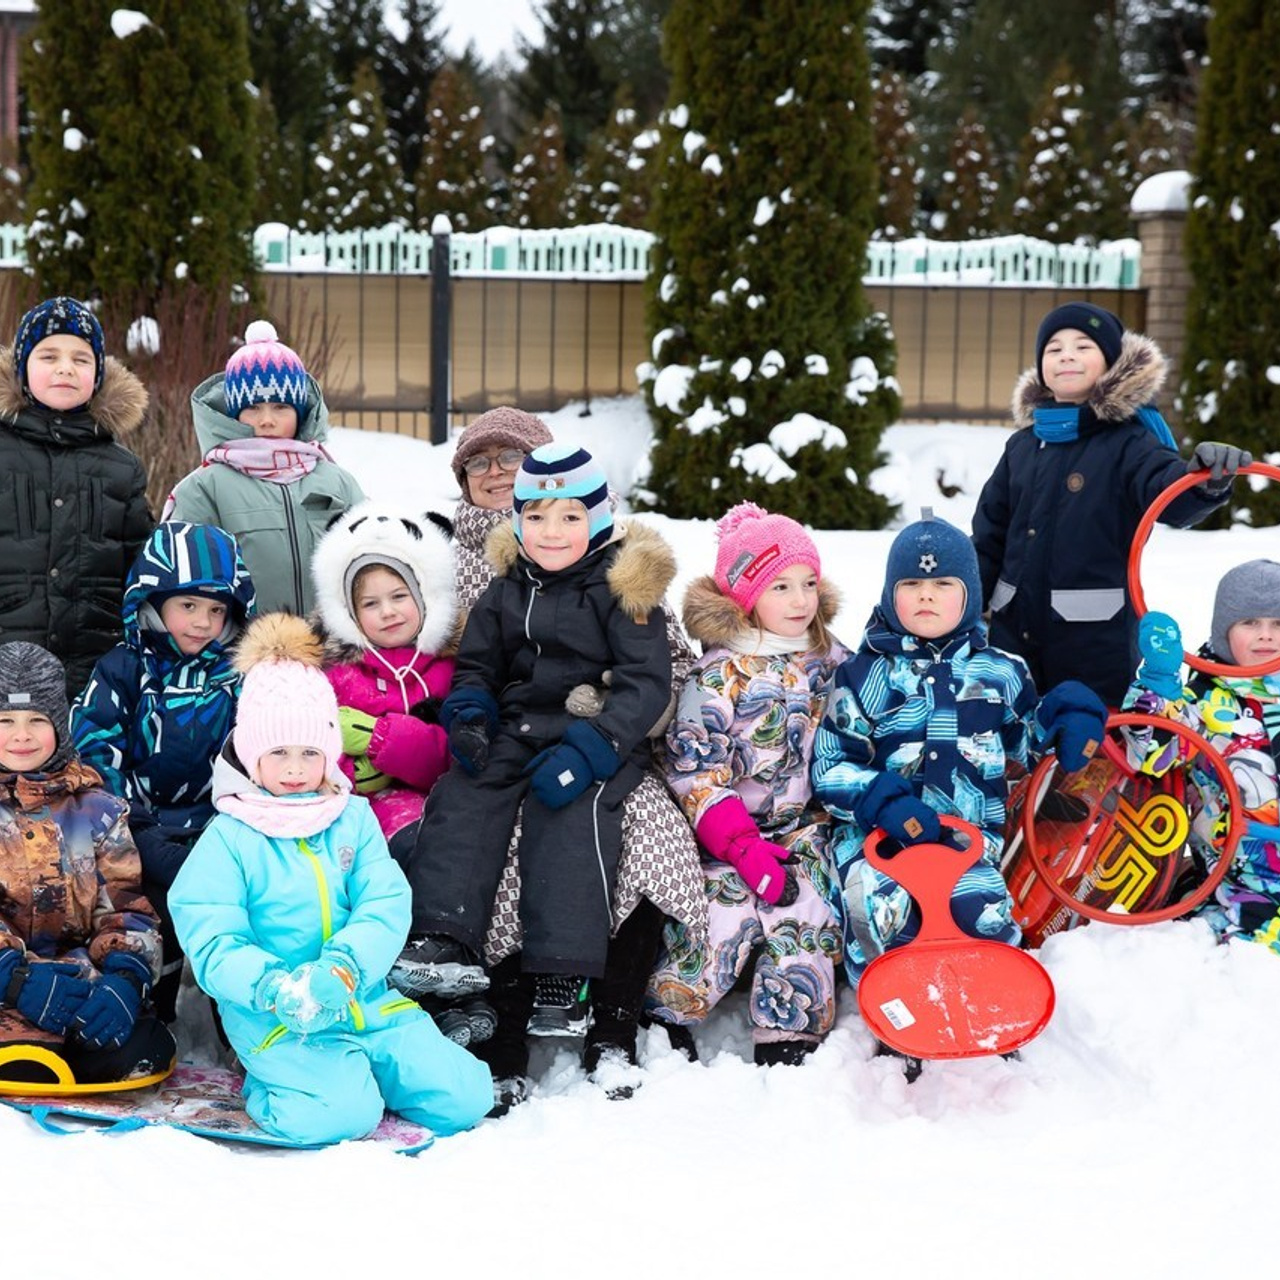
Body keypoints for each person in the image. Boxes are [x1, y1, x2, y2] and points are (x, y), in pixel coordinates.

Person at [415, 411, 704, 1107]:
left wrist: (594, 747)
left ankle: (562, 975)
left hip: (595, 739)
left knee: (568, 818)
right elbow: (479, 665)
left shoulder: (620, 588)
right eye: (536, 517)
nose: (550, 532)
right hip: (518, 728)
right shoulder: (505, 587)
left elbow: (647, 681)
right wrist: (469, 713)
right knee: (463, 797)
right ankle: (442, 938)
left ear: (598, 519)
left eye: (567, 517)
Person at [167, 613, 492, 1146]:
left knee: (464, 1098)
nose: (295, 769)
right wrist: (273, 986)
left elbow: (384, 902)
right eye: (279, 754)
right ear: (252, 755)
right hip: (279, 1015)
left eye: (309, 753)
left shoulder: (352, 818)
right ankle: (278, 1082)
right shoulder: (230, 836)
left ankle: (364, 1068)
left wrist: (346, 966)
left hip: (363, 998)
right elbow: (211, 935)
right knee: (340, 1117)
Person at [811, 512, 1108, 1000]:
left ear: (969, 593)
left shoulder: (1001, 672)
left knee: (981, 915)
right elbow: (830, 763)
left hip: (968, 844)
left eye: (943, 582)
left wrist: (1068, 711)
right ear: (890, 595)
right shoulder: (863, 676)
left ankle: (987, 1009)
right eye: (911, 583)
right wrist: (880, 800)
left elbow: (1025, 744)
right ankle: (901, 1015)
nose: (926, 594)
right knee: (887, 915)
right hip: (881, 841)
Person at [643, 502, 847, 1067]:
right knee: (723, 907)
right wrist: (741, 845)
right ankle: (669, 1010)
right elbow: (695, 771)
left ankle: (789, 1030)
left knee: (806, 903)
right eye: (781, 586)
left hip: (807, 830)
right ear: (745, 596)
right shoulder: (717, 675)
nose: (801, 600)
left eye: (809, 583)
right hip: (728, 837)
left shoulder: (831, 661)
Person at [972, 301, 1250, 707]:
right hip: (1012, 639)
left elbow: (1167, 494)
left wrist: (1206, 479)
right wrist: (964, 609)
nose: (1067, 355)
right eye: (1054, 348)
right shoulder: (1022, 446)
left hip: (1093, 647)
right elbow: (989, 536)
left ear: (1111, 363)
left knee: (1090, 750)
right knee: (1016, 748)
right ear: (1041, 368)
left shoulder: (1128, 442)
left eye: (1083, 346)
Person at [311, 500, 495, 1046]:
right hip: (347, 816)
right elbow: (308, 745)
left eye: (400, 597)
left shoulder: (447, 671)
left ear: (424, 598)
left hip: (425, 810)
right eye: (370, 603)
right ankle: (392, 995)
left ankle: (453, 987)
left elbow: (451, 751)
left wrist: (382, 739)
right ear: (348, 612)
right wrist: (343, 766)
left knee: (426, 850)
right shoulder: (335, 673)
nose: (388, 612)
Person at [71, 521, 257, 1023]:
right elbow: (94, 747)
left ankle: (239, 1015)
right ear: (153, 603)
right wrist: (134, 827)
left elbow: (255, 750)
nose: (201, 623)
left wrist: (235, 820)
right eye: (187, 606)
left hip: (220, 826)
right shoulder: (124, 668)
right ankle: (156, 1009)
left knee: (239, 909)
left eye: (216, 610)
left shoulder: (237, 676)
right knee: (155, 910)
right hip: (139, 828)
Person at [0, 641, 175, 1087]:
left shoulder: (98, 810)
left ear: (59, 725)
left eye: (37, 721)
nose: (21, 735)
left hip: (81, 983)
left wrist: (125, 979)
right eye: (6, 721)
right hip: (6, 988)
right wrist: (15, 981)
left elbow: (126, 910)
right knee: (26, 1055)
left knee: (141, 1048)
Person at [1123, 561, 1280, 953]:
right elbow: (1152, 754)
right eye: (1249, 623)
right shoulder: (1206, 701)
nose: (1266, 636)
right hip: (1243, 875)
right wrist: (1158, 686)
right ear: (1224, 630)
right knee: (1253, 949)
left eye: (1278, 624)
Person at [0, 295, 152, 696]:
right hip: (8, 669)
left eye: (81, 359)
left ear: (98, 374)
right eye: (48, 356)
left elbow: (140, 570)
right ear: (22, 368)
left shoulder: (121, 468)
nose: (65, 367)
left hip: (93, 673)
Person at [165, 320, 364, 616]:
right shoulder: (206, 488)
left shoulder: (337, 482)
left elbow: (371, 561)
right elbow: (183, 581)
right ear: (235, 413)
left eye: (281, 407)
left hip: (329, 651)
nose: (267, 419)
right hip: (243, 652)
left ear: (300, 412)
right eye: (253, 408)